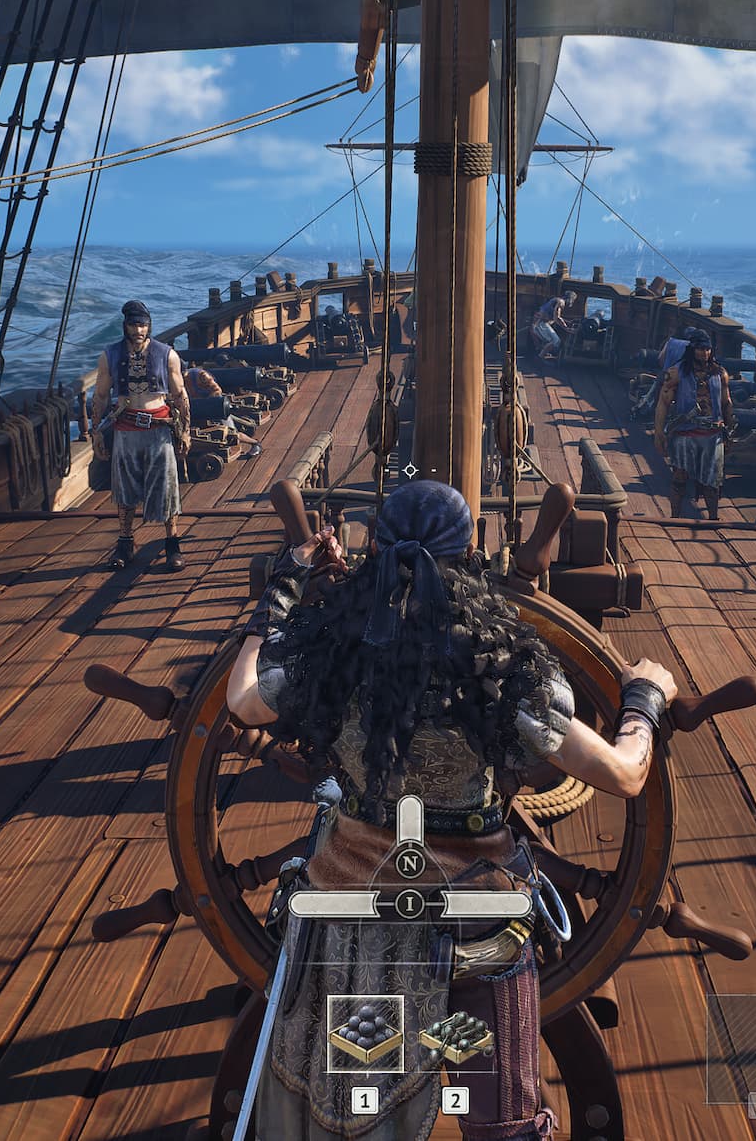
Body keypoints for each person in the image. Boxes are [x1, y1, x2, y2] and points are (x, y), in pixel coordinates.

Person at [226, 480, 680, 1141]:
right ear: (471, 553)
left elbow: (242, 701)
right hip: (475, 930)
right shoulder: (506, 670)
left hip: (355, 926)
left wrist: (283, 587)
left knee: (356, 1116)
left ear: (373, 550)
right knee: (500, 1123)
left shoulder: (328, 656)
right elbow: (623, 774)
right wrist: (643, 701)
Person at [91, 300, 191, 570]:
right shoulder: (110, 355)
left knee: (167, 488)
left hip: (158, 429)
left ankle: (172, 544)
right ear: (125, 326)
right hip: (126, 429)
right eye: (133, 325)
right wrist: (96, 432)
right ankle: (125, 543)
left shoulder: (167, 355)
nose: (138, 330)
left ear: (149, 326)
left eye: (143, 325)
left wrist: (185, 431)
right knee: (124, 489)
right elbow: (100, 396)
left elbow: (179, 395)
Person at [653, 331, 735, 519]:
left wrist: (729, 432)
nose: (704, 353)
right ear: (692, 349)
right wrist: (659, 434)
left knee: (712, 483)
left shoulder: (720, 374)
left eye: (707, 349)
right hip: (685, 433)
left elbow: (726, 403)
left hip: (712, 434)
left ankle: (713, 519)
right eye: (699, 349)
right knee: (679, 478)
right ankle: (675, 517)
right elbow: (663, 403)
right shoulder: (675, 373)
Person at [528, 295, 567, 362]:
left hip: (539, 322)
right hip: (541, 322)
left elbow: (555, 317)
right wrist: (566, 327)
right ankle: (540, 357)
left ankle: (542, 354)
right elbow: (557, 318)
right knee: (555, 341)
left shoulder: (555, 300)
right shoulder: (561, 302)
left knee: (548, 341)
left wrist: (566, 321)